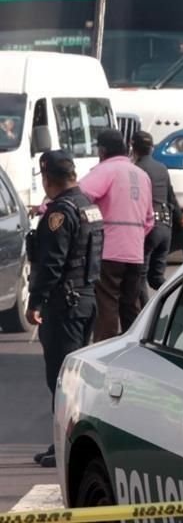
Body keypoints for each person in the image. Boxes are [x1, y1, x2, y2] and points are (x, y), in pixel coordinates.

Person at [26, 150, 103, 468]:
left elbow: (51, 263)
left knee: (61, 380)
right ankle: (62, 442)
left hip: (65, 305)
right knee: (71, 379)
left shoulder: (60, 213)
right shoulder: (88, 206)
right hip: (85, 300)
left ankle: (66, 448)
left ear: (47, 178)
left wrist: (36, 301)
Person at [80, 129, 153, 342]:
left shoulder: (106, 170)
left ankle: (104, 355)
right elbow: (149, 219)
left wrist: (46, 207)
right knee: (131, 306)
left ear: (102, 150)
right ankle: (137, 353)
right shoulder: (142, 175)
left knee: (107, 305)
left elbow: (78, 195)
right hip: (135, 252)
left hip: (108, 251)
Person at [131, 131, 183, 307]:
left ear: (133, 147)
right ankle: (180, 302)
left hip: (149, 228)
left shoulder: (136, 170)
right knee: (156, 277)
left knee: (139, 276)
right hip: (165, 226)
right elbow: (170, 196)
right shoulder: (161, 168)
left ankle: (143, 317)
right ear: (152, 147)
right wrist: (181, 216)